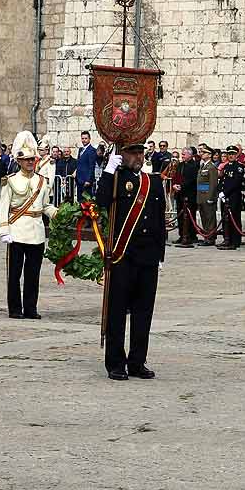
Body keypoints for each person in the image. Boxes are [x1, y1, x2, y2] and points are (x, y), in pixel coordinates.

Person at [100, 142, 168, 381]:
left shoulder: (154, 182)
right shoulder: (117, 179)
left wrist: (161, 255)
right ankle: (116, 363)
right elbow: (101, 203)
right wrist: (108, 171)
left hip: (148, 255)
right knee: (117, 311)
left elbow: (160, 220)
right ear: (122, 154)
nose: (138, 157)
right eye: (132, 152)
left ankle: (138, 361)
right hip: (123, 255)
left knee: (143, 311)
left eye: (140, 153)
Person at [0, 132, 52, 320]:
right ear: (19, 161)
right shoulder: (11, 180)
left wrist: (58, 213)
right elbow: (4, 207)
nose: (31, 162)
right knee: (14, 274)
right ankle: (15, 308)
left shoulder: (42, 181)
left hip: (36, 231)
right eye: (27, 160)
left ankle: (31, 307)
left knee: (33, 274)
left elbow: (45, 205)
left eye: (33, 159)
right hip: (17, 230)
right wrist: (4, 231)